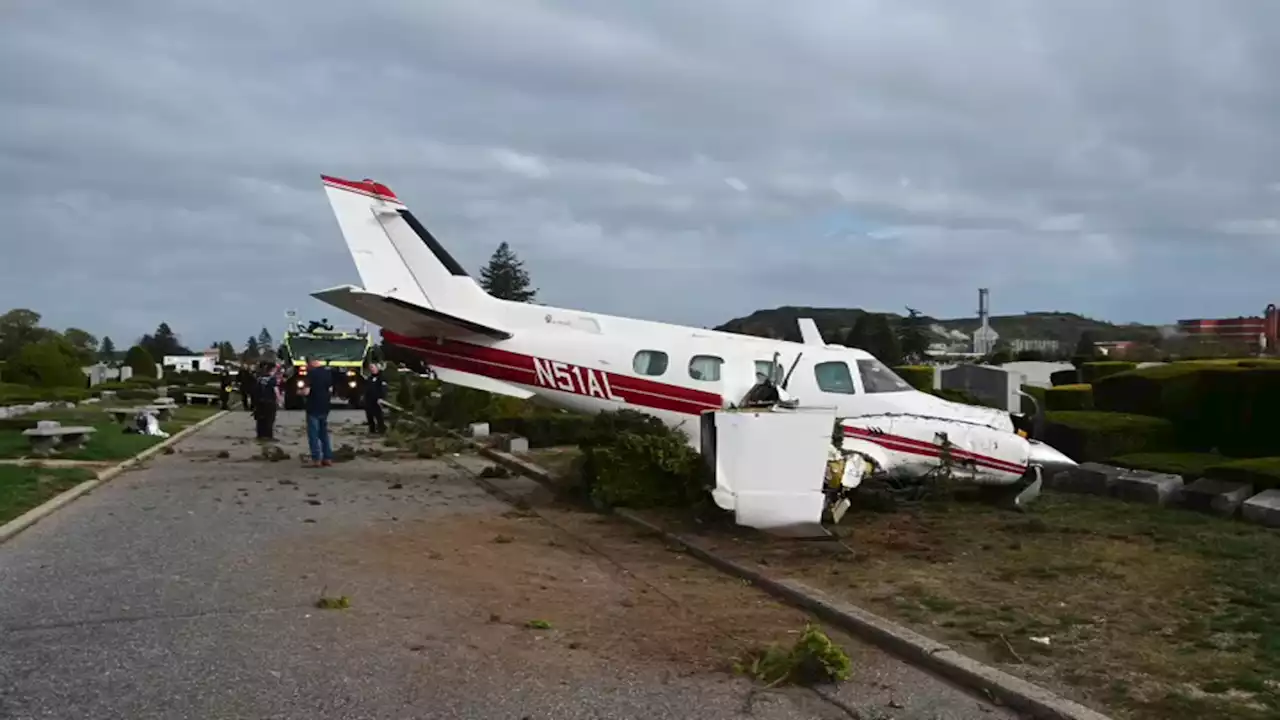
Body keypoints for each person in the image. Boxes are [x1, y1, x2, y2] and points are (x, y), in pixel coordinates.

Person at [300, 356, 334, 466]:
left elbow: (306, 392)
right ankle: (327, 457)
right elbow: (330, 390)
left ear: (310, 363)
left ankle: (316, 458)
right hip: (325, 406)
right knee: (323, 433)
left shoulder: (311, 374)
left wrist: (299, 392)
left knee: (313, 434)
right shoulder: (327, 373)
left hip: (313, 406)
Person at [253, 361, 279, 441]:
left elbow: (255, 390)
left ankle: (260, 435)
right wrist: (279, 400)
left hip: (260, 402)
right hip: (270, 402)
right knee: (269, 419)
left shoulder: (259, 379)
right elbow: (275, 390)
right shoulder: (272, 379)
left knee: (260, 419)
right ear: (273, 369)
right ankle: (268, 436)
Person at [363, 362, 387, 435]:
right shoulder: (369, 378)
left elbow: (383, 388)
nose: (372, 369)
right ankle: (372, 430)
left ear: (377, 368)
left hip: (377, 400)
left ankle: (381, 430)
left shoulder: (381, 378)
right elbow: (367, 388)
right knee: (369, 415)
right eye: (371, 368)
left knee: (378, 416)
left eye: (373, 367)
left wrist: (381, 398)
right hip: (369, 400)